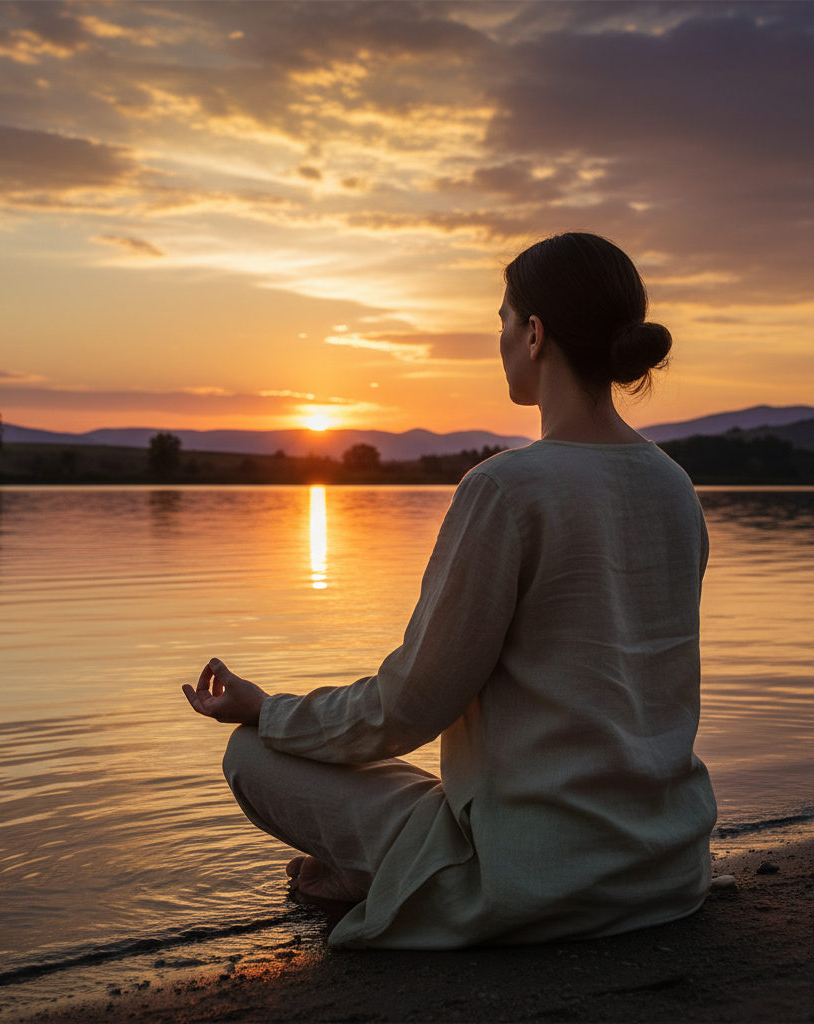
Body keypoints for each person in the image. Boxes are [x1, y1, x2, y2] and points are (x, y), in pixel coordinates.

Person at [181, 232, 718, 949]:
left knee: (250, 754)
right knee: (412, 788)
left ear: (534, 334)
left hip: (532, 876)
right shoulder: (675, 486)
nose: (500, 339)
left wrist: (267, 710)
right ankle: (376, 867)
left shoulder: (507, 488)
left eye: (503, 321)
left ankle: (390, 875)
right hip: (666, 868)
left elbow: (408, 707)